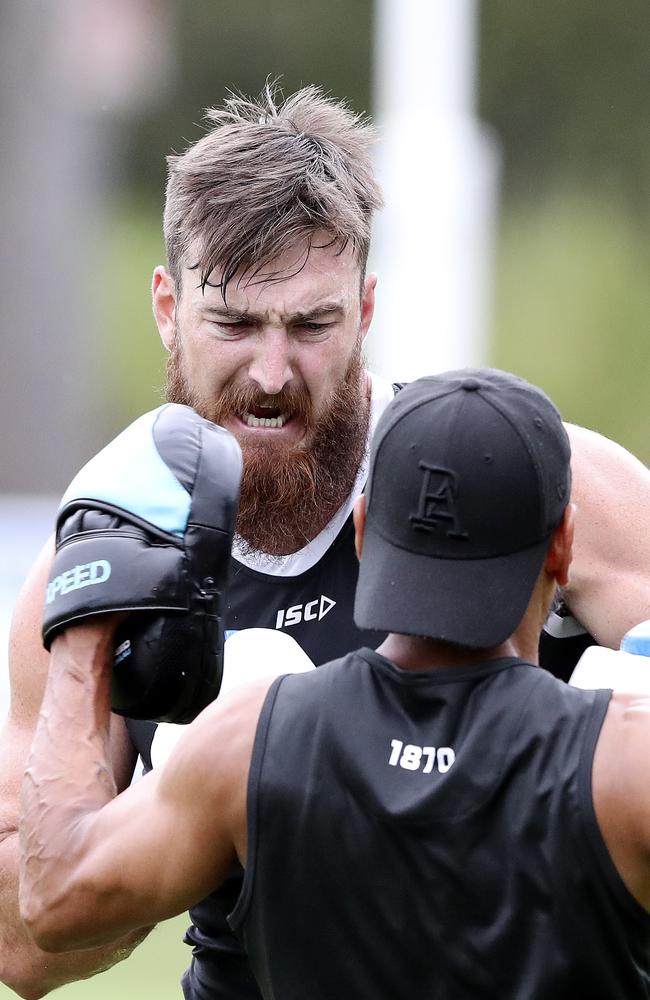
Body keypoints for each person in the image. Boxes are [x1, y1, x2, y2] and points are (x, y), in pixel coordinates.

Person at [2, 83, 650, 998]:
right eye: (233, 323)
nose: (272, 373)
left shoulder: (531, 486)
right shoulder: (99, 564)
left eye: (312, 325)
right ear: (166, 305)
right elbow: (26, 949)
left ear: (366, 307)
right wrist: (183, 807)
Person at [19, 368, 650, 998]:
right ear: (564, 544)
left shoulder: (249, 743)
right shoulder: (624, 764)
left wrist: (86, 633)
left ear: (362, 530)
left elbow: (53, 900)